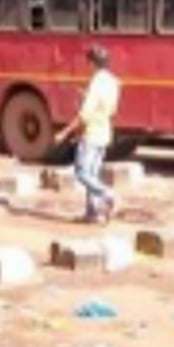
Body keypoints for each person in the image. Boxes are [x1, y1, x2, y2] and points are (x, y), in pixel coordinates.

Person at [54, 45, 122, 224]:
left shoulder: (96, 82)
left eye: (88, 62)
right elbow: (110, 108)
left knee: (81, 173)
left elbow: (84, 115)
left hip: (92, 134)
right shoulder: (113, 81)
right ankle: (93, 213)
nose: (87, 66)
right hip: (104, 133)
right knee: (92, 173)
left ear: (93, 63)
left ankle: (108, 195)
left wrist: (64, 133)